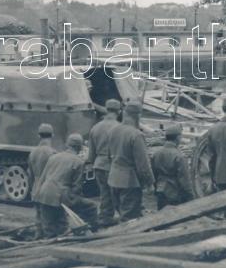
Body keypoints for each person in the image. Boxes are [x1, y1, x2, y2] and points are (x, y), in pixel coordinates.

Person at [34, 133, 99, 238]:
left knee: (49, 227)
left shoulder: (53, 157)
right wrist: (72, 205)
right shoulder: (78, 162)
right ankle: (90, 233)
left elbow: (43, 177)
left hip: (44, 194)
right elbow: (77, 187)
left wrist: (37, 195)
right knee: (91, 207)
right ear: (79, 148)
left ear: (67, 145)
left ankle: (49, 243)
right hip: (61, 196)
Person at [107, 100, 155, 222]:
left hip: (113, 179)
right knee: (130, 220)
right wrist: (149, 183)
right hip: (129, 182)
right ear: (138, 116)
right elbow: (143, 165)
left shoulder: (113, 131)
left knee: (121, 215)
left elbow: (109, 155)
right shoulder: (136, 135)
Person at [86, 98, 122, 227]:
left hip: (99, 165)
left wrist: (90, 164)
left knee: (105, 194)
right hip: (113, 166)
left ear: (106, 110)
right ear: (119, 111)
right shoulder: (119, 128)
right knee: (118, 195)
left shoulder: (95, 128)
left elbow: (91, 153)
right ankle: (123, 221)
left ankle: (104, 219)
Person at [151, 123, 194, 210]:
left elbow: (153, 174)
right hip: (175, 193)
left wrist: (156, 188)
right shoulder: (179, 156)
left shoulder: (156, 154)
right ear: (177, 138)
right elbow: (184, 179)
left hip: (161, 191)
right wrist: (191, 195)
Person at [28, 123, 57, 238]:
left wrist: (33, 189)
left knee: (39, 217)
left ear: (38, 135)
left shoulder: (32, 152)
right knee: (49, 219)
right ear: (52, 135)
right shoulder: (53, 153)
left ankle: (38, 237)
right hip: (48, 189)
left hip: (36, 188)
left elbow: (30, 174)